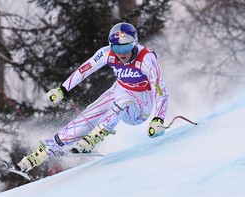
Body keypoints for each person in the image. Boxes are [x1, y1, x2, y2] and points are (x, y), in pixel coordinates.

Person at [17, 22, 169, 172]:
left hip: (141, 105)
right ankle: (42, 152)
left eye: (126, 47)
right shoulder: (107, 54)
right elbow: (85, 69)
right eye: (116, 48)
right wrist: (63, 89)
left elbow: (160, 89)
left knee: (124, 100)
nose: (121, 53)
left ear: (134, 44)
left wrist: (158, 119)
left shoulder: (146, 59)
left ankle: (93, 138)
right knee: (88, 114)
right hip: (119, 91)